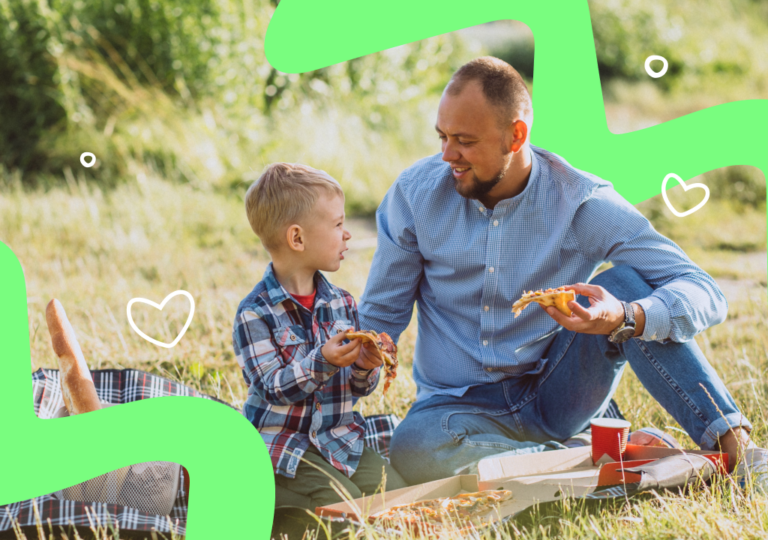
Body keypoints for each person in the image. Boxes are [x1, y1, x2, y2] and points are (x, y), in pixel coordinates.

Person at [358, 56, 767, 487]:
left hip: (557, 393)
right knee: (414, 448)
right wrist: (362, 360)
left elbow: (704, 289)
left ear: (516, 135)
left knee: (626, 286)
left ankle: (738, 450)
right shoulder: (414, 197)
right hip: (453, 409)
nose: (447, 155)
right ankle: (595, 456)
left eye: (464, 140)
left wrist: (628, 316)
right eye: (441, 137)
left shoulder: (581, 202)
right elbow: (380, 319)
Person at [233, 163, 408, 539]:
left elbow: (356, 389)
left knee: (397, 496)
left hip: (339, 438)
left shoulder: (342, 302)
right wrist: (322, 361)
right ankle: (273, 496)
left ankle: (302, 500)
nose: (347, 235)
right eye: (337, 225)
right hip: (284, 447)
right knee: (343, 508)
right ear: (297, 238)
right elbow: (272, 387)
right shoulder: (255, 314)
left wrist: (365, 366)